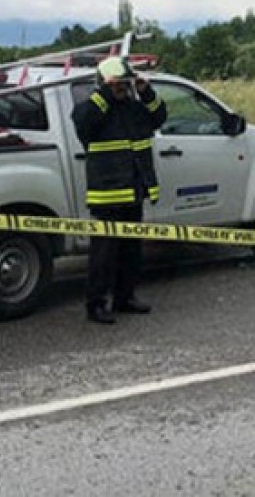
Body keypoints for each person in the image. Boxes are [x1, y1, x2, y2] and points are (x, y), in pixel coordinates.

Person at [72, 56, 166, 325]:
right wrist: (106, 92)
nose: (123, 89)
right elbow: (85, 124)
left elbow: (159, 116)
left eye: (125, 85)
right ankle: (96, 305)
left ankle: (125, 298)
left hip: (133, 191)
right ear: (104, 84)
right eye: (118, 85)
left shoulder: (134, 108)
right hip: (107, 195)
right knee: (104, 255)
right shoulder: (91, 109)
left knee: (131, 251)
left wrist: (145, 91)